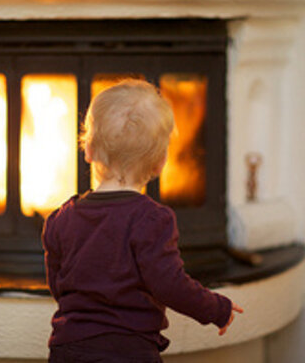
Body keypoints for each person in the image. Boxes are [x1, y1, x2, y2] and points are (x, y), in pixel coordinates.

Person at [42, 80, 243, 362]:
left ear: (87, 150)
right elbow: (169, 284)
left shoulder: (60, 218)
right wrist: (215, 308)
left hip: (67, 348)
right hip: (129, 351)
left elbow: (57, 283)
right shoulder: (151, 219)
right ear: (160, 163)